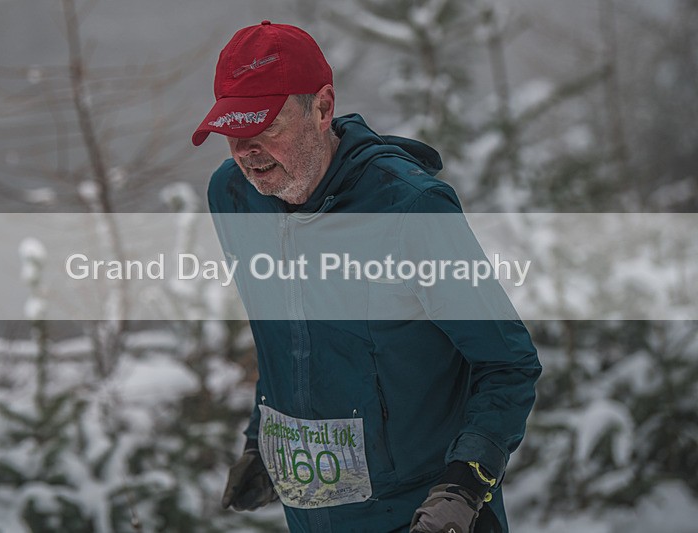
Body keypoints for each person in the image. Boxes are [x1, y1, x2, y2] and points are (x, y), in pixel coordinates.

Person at [192, 20, 541, 533]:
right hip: (312, 515)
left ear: (322, 107)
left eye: (266, 127)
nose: (247, 151)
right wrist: (261, 438)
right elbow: (288, 335)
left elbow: (507, 364)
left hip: (423, 514)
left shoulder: (410, 209)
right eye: (233, 132)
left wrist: (466, 483)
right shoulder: (235, 197)